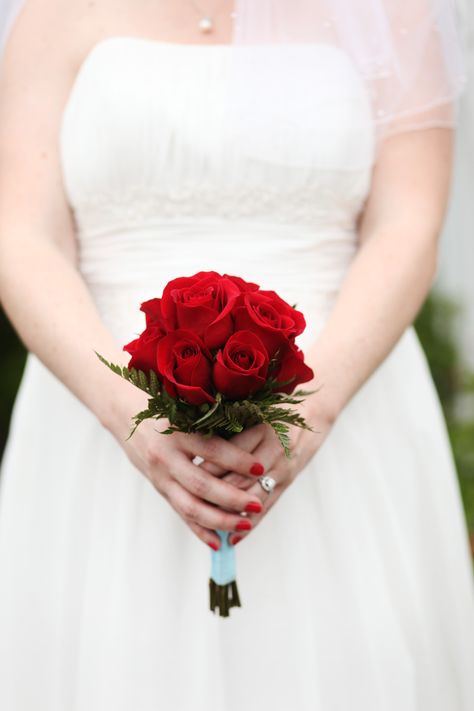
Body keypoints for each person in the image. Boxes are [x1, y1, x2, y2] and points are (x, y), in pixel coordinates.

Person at [0, 1, 473, 709]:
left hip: (345, 418)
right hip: (99, 422)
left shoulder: (392, 11)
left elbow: (408, 223)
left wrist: (313, 409)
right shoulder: (51, 11)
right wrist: (132, 416)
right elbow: (20, 234)